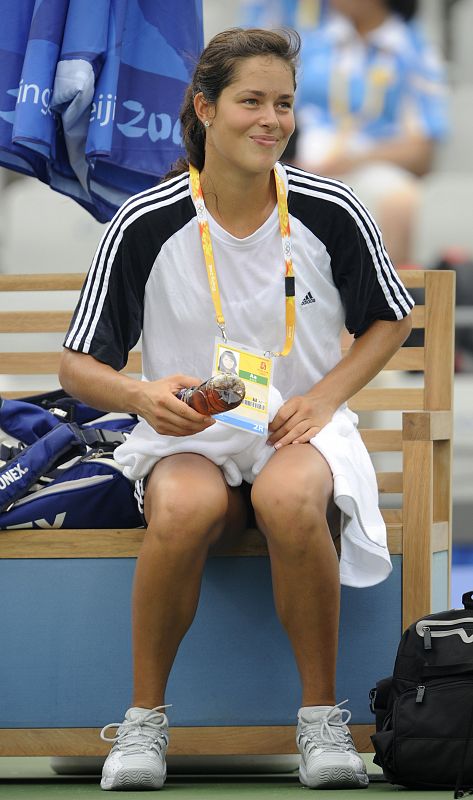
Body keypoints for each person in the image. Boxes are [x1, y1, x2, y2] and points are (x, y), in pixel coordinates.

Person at [59, 27, 413, 792]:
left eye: (282, 103)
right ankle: (144, 724)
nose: (270, 120)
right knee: (181, 510)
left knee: (290, 500)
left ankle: (321, 724)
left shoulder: (331, 207)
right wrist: (140, 394)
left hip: (301, 431)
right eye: (250, 101)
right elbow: (77, 364)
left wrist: (322, 399)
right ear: (205, 108)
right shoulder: (144, 220)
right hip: (191, 437)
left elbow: (391, 317)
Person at [294, 0, 449, 266]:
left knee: (400, 201)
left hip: (374, 168)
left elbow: (422, 149)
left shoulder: (414, 51)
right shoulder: (311, 45)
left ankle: (387, 304)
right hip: (302, 164)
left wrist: (350, 161)